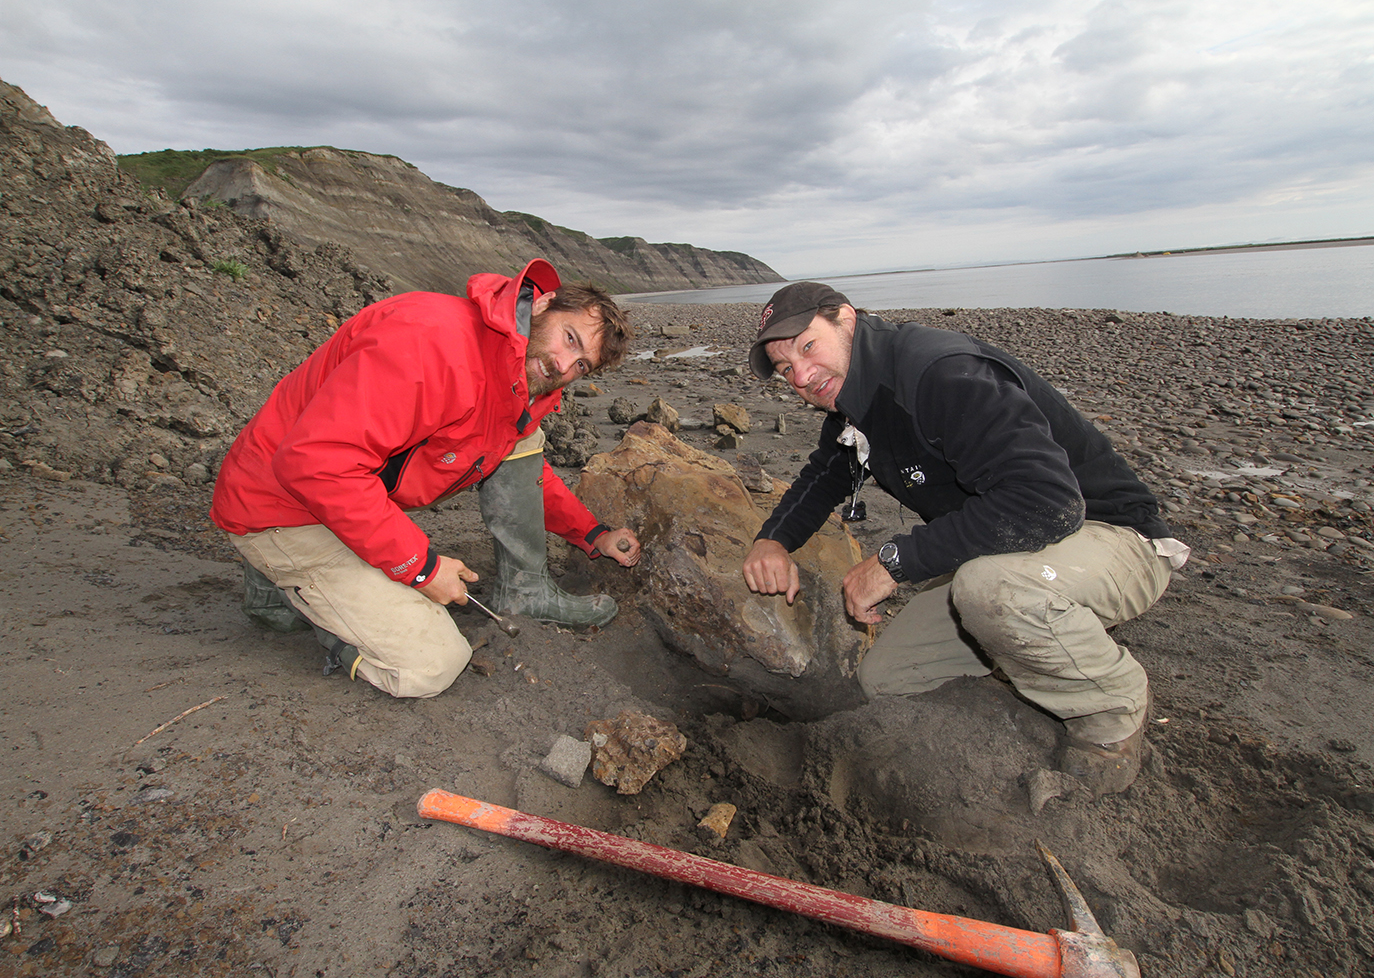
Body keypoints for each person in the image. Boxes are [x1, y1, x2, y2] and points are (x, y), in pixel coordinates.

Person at [741, 281, 1188, 795]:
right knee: (888, 677)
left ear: (844, 318)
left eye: (807, 347)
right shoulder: (855, 401)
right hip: (1014, 545)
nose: (801, 374)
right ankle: (1030, 660)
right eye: (784, 369)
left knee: (990, 592)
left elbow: (1048, 502)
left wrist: (894, 560)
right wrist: (772, 539)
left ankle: (1114, 709)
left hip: (1111, 536)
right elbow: (826, 473)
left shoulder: (937, 372)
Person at [211, 259, 642, 699]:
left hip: (340, 493)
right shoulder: (432, 341)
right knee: (432, 665)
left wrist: (592, 533)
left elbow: (526, 470)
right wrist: (421, 567)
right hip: (280, 505)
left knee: (524, 438)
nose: (563, 364)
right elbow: (315, 462)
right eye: (569, 338)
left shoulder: (512, 373)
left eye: (582, 365)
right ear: (544, 303)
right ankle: (294, 592)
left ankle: (524, 590)